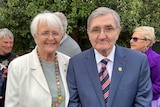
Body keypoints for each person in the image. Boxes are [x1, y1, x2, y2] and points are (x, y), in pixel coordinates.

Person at [67, 7, 152, 107]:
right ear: (88, 33)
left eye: (108, 29)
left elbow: (143, 103)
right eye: (95, 30)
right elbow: (73, 103)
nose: (102, 36)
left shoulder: (138, 62)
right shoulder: (76, 64)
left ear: (118, 31)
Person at [5, 12, 70, 107]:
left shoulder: (68, 62)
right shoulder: (18, 66)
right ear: (35, 37)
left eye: (55, 33)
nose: (51, 38)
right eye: (45, 33)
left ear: (61, 36)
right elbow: (12, 104)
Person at [130, 26, 160, 107]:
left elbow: (158, 85)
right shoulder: (128, 57)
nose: (131, 41)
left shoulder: (157, 60)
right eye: (131, 38)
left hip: (149, 102)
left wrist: (139, 91)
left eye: (135, 39)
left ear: (147, 42)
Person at [0, 28, 17, 107]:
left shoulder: (17, 60)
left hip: (9, 101)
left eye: (11, 43)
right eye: (5, 42)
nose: (9, 45)